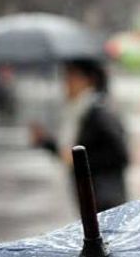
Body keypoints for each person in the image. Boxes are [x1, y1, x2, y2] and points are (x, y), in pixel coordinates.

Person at [31, 59, 130, 211]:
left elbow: (120, 156)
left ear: (88, 80)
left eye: (71, 77)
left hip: (105, 201)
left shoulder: (98, 113)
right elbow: (73, 154)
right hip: (90, 198)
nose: (66, 84)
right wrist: (46, 142)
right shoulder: (78, 111)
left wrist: (82, 161)